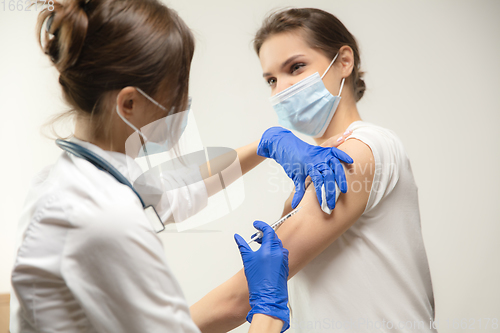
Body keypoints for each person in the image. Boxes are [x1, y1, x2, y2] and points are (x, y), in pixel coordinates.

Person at [9, 1, 354, 332]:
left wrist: (266, 146)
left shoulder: (85, 179)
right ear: (129, 103)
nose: (182, 107)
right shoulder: (102, 217)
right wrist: (268, 308)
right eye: (176, 93)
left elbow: (176, 188)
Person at [191, 8, 437, 332]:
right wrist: (266, 143)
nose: (281, 89)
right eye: (271, 79)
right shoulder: (315, 170)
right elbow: (173, 189)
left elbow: (241, 298)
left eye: (296, 67)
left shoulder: (362, 150)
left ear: (344, 61)